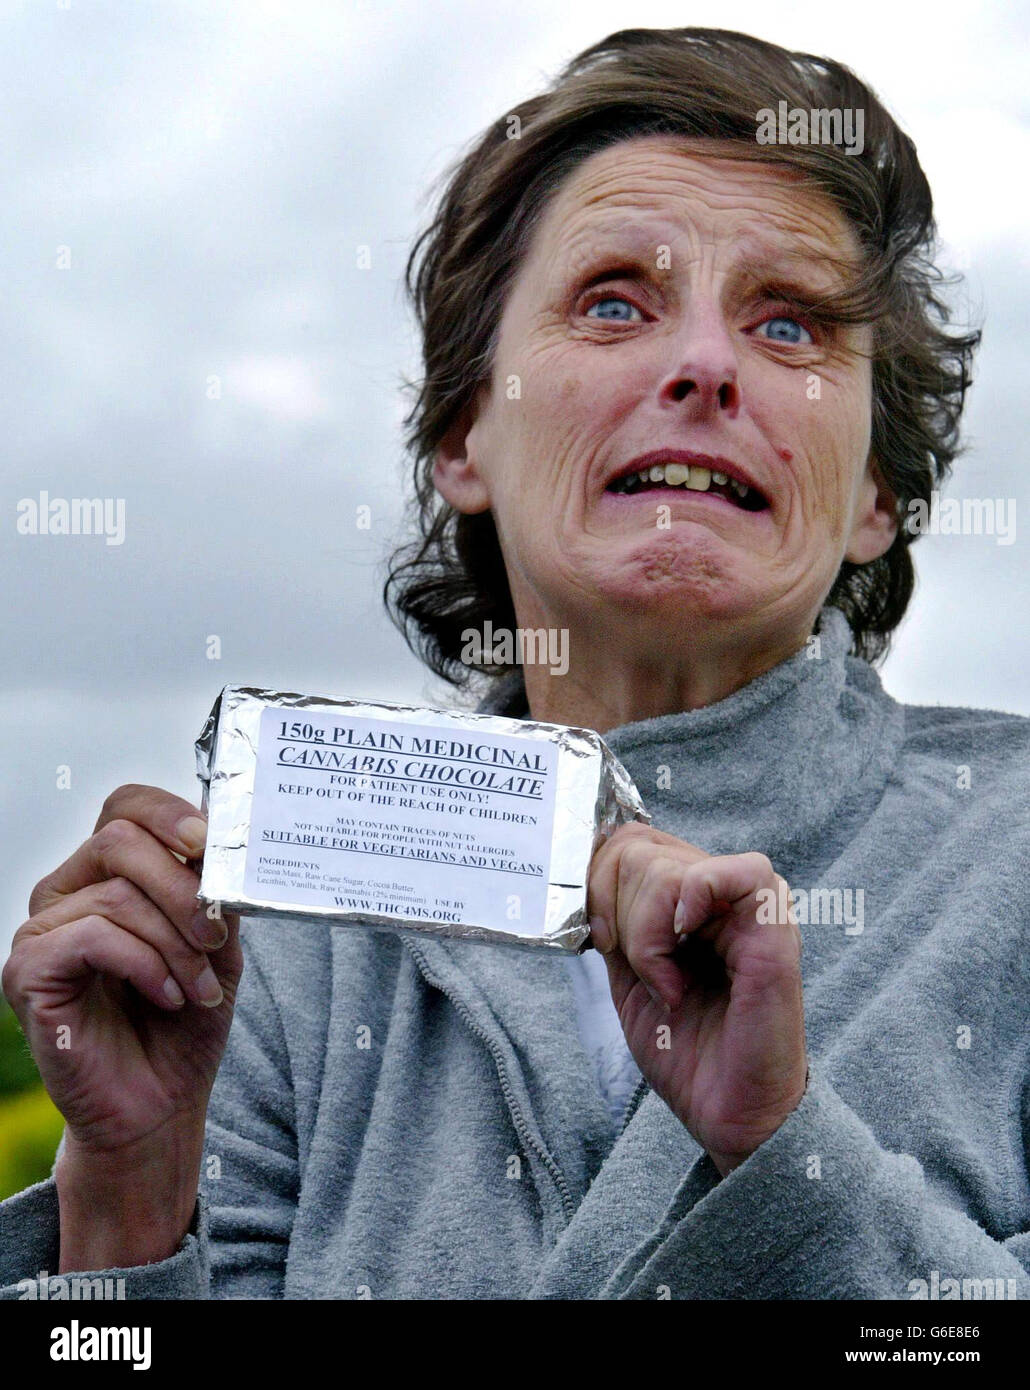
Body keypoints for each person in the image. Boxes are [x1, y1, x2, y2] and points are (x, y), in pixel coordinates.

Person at [2, 26, 1027, 1300]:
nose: (705, 365)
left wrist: (783, 1156)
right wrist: (126, 1207)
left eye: (790, 324)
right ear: (462, 435)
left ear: (878, 490)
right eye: (612, 302)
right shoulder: (278, 954)